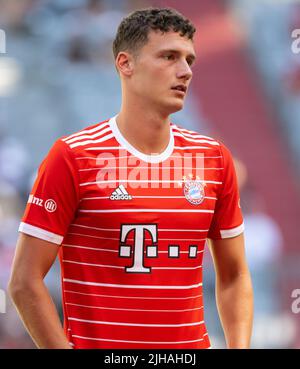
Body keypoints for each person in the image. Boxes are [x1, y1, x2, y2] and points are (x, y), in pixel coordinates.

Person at [8, 7, 253, 349]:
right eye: (169, 57)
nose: (184, 72)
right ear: (125, 64)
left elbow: (235, 274)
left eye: (189, 60)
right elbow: (24, 281)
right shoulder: (73, 156)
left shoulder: (213, 158)